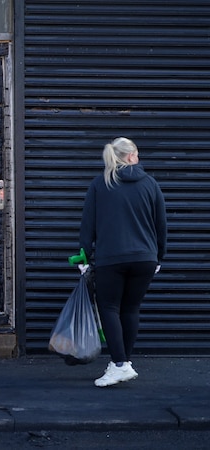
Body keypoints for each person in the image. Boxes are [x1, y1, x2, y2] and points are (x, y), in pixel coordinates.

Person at [79, 137, 167, 387]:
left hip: (111, 259)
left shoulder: (100, 184)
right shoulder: (151, 184)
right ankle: (123, 362)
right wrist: (160, 255)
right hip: (145, 259)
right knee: (131, 309)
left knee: (109, 308)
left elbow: (88, 224)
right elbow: (161, 225)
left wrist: (84, 255)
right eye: (136, 153)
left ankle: (119, 364)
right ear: (130, 156)